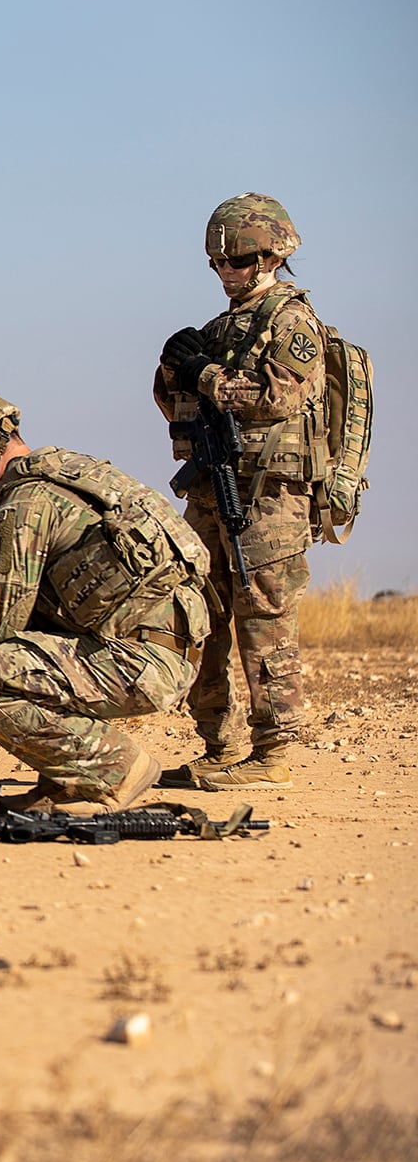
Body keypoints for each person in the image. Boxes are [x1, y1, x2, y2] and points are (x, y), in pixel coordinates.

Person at [0, 389, 211, 815]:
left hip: (139, 660)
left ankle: (114, 767)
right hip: (160, 646)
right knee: (2, 653)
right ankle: (66, 780)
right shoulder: (72, 472)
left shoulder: (21, 505)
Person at [153, 193, 326, 791]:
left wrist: (202, 374)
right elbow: (175, 407)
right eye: (217, 262)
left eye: (240, 259)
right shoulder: (221, 328)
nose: (227, 271)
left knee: (264, 620)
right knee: (203, 614)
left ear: (273, 255)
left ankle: (273, 752)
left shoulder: (292, 322)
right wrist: (173, 370)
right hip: (209, 490)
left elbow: (277, 398)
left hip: (270, 498)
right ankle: (220, 744)